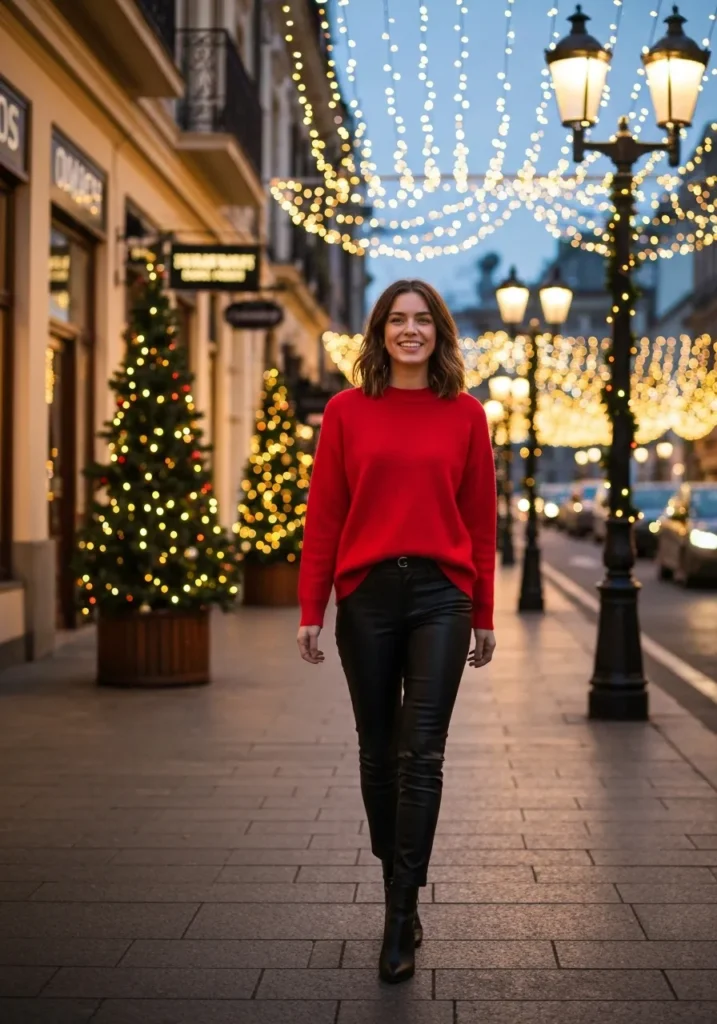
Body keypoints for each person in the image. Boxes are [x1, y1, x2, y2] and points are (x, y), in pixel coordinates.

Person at [296, 279, 497, 984]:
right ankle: (399, 885)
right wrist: (309, 609)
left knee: (422, 755)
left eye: (422, 321)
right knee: (378, 752)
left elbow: (480, 523)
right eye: (396, 320)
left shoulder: (466, 414)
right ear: (379, 332)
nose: (409, 331)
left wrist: (484, 614)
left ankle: (397, 914)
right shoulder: (346, 412)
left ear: (438, 332)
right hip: (367, 598)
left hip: (442, 595)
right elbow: (324, 516)